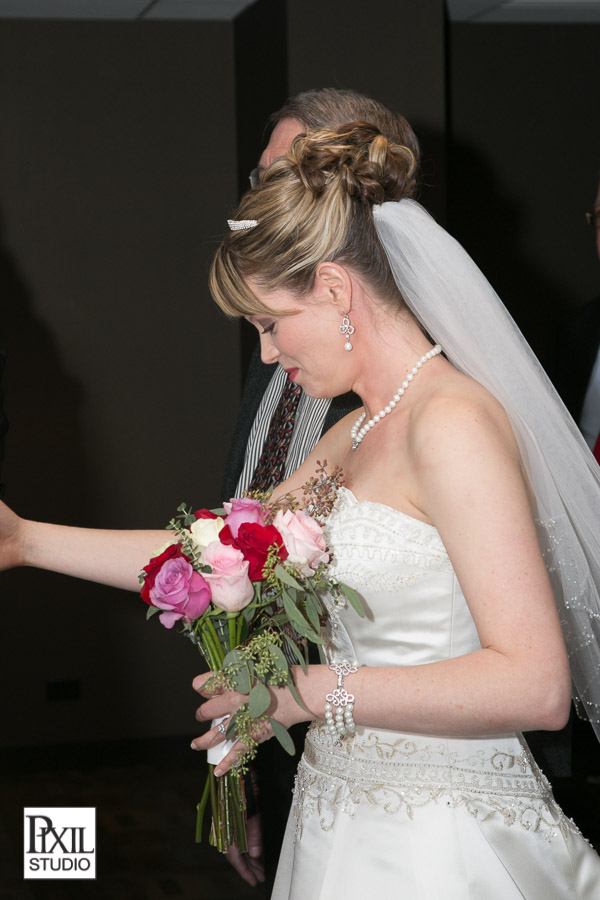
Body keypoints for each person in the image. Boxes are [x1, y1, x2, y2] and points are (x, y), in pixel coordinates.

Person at [189, 124, 600, 897]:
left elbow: (537, 688)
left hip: (440, 839)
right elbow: (214, 548)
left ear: (335, 290)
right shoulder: (355, 430)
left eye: (270, 325)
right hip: (337, 812)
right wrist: (28, 540)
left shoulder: (452, 422)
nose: (268, 354)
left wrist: (302, 694)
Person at [222, 87, 422, 890]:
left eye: (288, 178)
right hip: (291, 747)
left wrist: (301, 693)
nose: (257, 205)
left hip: (406, 781)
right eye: (260, 179)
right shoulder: (299, 367)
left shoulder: (433, 411)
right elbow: (231, 540)